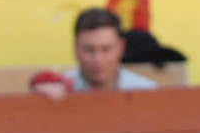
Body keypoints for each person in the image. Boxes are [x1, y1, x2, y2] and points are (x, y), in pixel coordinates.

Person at [29, 8, 157, 99]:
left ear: (121, 47)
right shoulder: (57, 91)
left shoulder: (146, 92)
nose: (98, 60)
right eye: (89, 50)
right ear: (75, 49)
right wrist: (40, 102)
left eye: (106, 49)